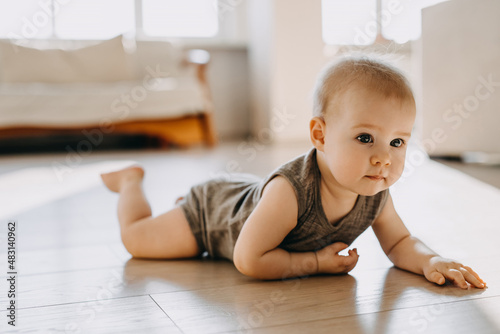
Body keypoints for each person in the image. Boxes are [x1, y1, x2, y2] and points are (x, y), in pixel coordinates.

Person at [101, 55, 486, 289]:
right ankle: (131, 181)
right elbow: (248, 260)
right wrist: (314, 263)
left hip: (250, 200)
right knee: (138, 241)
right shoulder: (292, 191)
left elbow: (400, 243)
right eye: (366, 137)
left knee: (257, 208)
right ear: (320, 134)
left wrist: (431, 261)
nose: (384, 158)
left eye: (398, 142)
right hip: (211, 216)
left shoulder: (375, 192)